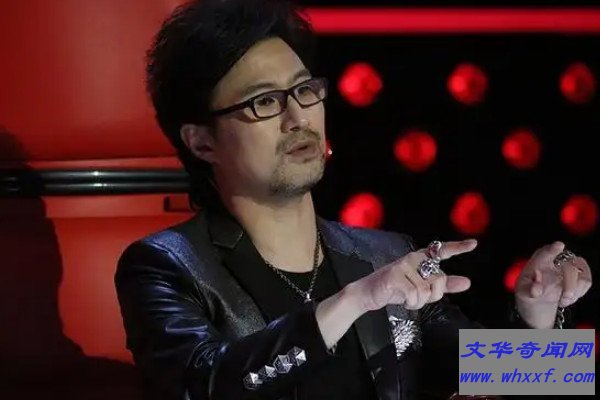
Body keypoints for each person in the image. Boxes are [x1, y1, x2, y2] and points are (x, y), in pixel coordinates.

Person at [114, 1, 593, 399]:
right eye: (265, 101)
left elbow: (521, 373)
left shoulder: (383, 256)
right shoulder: (167, 266)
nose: (298, 118)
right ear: (201, 142)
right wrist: (354, 302)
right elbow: (203, 384)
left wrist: (537, 315)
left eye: (304, 90)